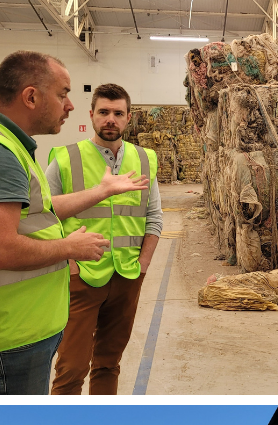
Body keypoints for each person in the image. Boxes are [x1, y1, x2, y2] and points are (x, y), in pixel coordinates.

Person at [0, 51, 112, 395]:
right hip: (3, 340)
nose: (70, 105)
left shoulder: (7, 146)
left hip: (16, 330)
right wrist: (70, 247)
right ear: (31, 97)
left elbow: (38, 213)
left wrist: (100, 191)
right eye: (62, 94)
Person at [45, 83, 160, 395]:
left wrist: (144, 264)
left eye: (118, 113)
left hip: (127, 276)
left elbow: (154, 217)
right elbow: (44, 215)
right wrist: (68, 263)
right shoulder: (66, 159)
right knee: (71, 368)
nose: (111, 119)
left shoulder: (145, 159)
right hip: (80, 277)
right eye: (104, 112)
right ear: (91, 115)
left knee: (109, 363)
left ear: (128, 118)